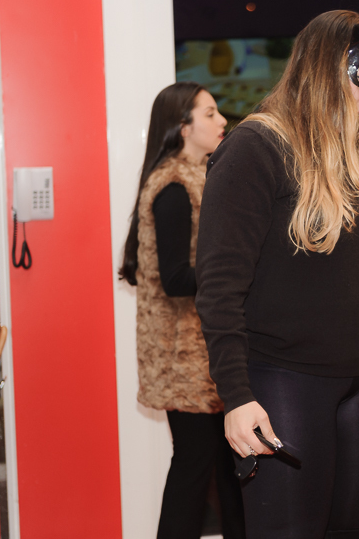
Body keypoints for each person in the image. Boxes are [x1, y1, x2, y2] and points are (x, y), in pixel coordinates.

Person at [194, 10, 359, 539]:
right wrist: (236, 397)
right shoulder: (255, 149)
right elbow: (219, 289)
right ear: (327, 71)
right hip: (284, 379)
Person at [118, 82, 245, 539]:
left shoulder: (199, 175)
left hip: (203, 355)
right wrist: (236, 272)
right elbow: (174, 279)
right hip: (182, 360)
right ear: (182, 126)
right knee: (194, 471)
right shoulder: (173, 185)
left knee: (232, 468)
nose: (222, 121)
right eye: (210, 113)